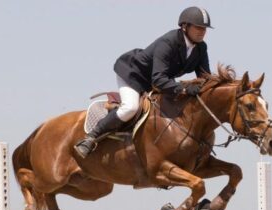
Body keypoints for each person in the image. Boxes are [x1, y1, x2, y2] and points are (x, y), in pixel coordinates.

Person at [74, 6, 213, 158]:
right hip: (134, 74)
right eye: (198, 27)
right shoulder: (169, 41)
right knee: (130, 108)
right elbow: (159, 79)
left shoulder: (201, 48)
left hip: (155, 80)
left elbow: (205, 77)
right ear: (185, 26)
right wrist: (184, 89)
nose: (202, 32)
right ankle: (90, 138)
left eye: (204, 29)